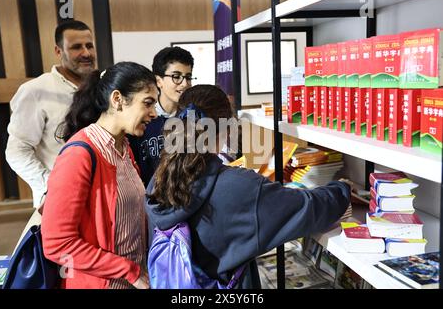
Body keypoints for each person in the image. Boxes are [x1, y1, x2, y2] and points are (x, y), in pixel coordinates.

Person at [145, 84, 351, 289]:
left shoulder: (161, 180)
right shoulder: (238, 187)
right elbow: (307, 208)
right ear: (227, 129)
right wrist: (342, 190)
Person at [41, 62, 158, 289]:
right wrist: (128, 270)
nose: (154, 113)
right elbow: (57, 244)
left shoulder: (124, 148)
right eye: (147, 103)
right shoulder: (79, 154)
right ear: (117, 99)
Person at [6, 20, 96, 208]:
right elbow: (17, 151)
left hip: (101, 195)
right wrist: (50, 185)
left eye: (89, 46)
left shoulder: (102, 86)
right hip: (60, 201)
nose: (86, 53)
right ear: (58, 51)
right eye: (76, 47)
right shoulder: (35, 91)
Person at [129, 46, 195, 187]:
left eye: (188, 77)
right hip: (148, 200)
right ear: (158, 81)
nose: (184, 84)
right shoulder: (142, 119)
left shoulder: (193, 118)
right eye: (176, 77)